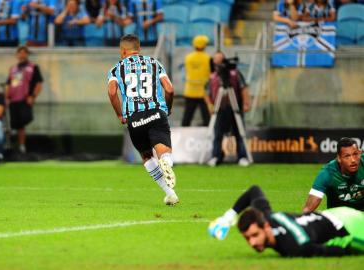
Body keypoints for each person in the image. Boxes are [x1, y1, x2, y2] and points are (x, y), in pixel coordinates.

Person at [108, 34, 179, 206]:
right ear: (138, 48)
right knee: (164, 151)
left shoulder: (116, 69)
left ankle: (170, 194)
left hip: (135, 118)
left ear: (124, 50)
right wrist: (167, 108)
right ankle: (166, 162)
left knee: (147, 156)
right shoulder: (155, 63)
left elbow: (112, 92)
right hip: (156, 112)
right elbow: (169, 89)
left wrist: (119, 114)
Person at [209, 185, 364, 257]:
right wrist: (227, 218)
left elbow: (328, 252)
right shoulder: (265, 215)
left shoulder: (294, 247)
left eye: (255, 235)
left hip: (349, 226)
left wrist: (352, 250)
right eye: (248, 238)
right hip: (331, 214)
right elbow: (254, 191)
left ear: (267, 227)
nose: (252, 243)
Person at [207, 52, 250, 167]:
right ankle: (216, 156)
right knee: (217, 134)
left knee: (239, 133)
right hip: (220, 108)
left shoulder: (235, 74)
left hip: (235, 107)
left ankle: (242, 156)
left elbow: (243, 88)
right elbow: (206, 92)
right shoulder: (213, 76)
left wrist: (246, 102)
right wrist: (210, 105)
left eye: (220, 60)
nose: (217, 63)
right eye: (215, 60)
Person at [303, 137, 364, 213]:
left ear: (360, 152)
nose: (353, 160)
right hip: (339, 218)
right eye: (347, 156)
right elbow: (308, 209)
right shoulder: (328, 173)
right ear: (339, 158)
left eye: (355, 154)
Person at [6, 46, 43, 154]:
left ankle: (22, 146)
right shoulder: (13, 69)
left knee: (22, 124)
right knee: (13, 124)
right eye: (20, 53)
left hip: (24, 99)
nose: (22, 55)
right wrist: (7, 97)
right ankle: (11, 145)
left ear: (27, 54)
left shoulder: (33, 67)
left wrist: (33, 96)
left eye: (24, 53)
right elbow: (9, 84)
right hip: (13, 100)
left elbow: (39, 84)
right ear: (17, 55)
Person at [181, 35, 213, 127]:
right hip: (204, 92)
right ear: (204, 45)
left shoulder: (188, 57)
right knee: (206, 116)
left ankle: (183, 133)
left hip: (190, 90)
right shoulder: (208, 58)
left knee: (187, 116)